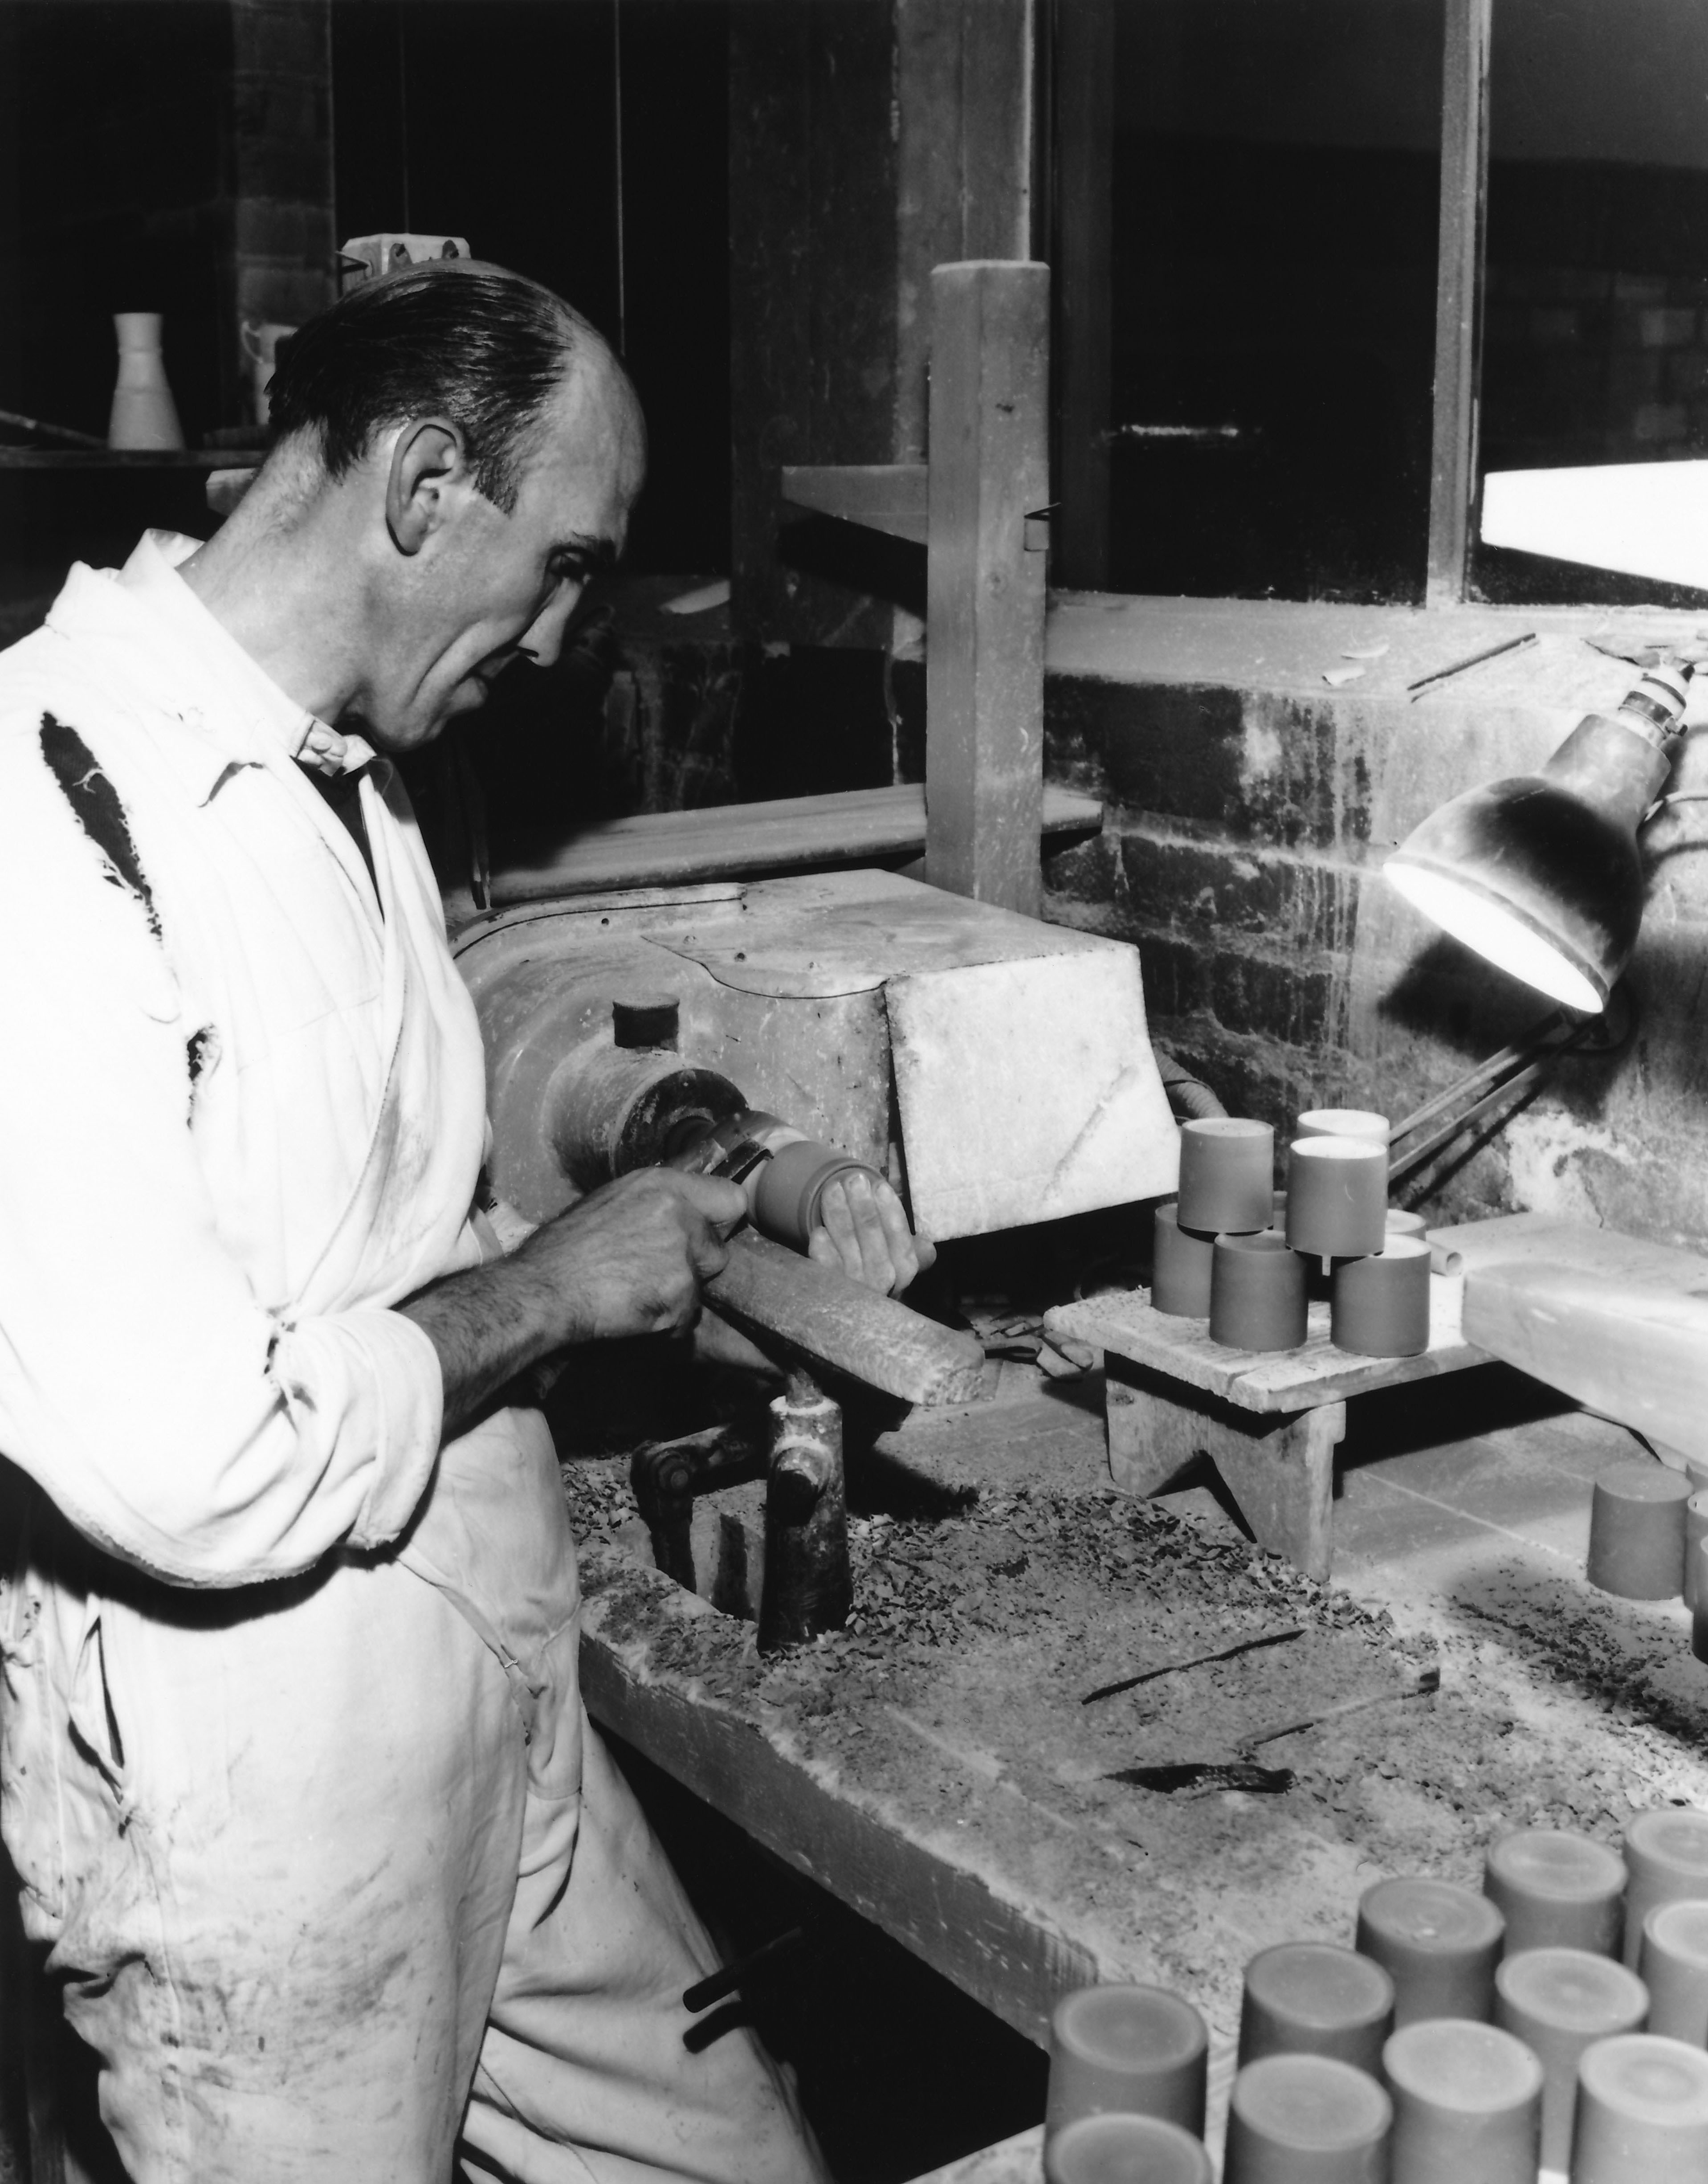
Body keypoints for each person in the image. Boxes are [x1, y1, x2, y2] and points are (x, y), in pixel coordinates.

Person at [0, 261, 928, 2182]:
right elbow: (191, 1461)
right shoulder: (53, 808)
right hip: (266, 1789)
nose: (569, 635)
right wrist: (553, 1292)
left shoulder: (352, 773)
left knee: (735, 2151)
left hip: (496, 1683)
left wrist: (654, 1276)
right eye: (566, 565)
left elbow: (384, 1215)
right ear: (425, 488)